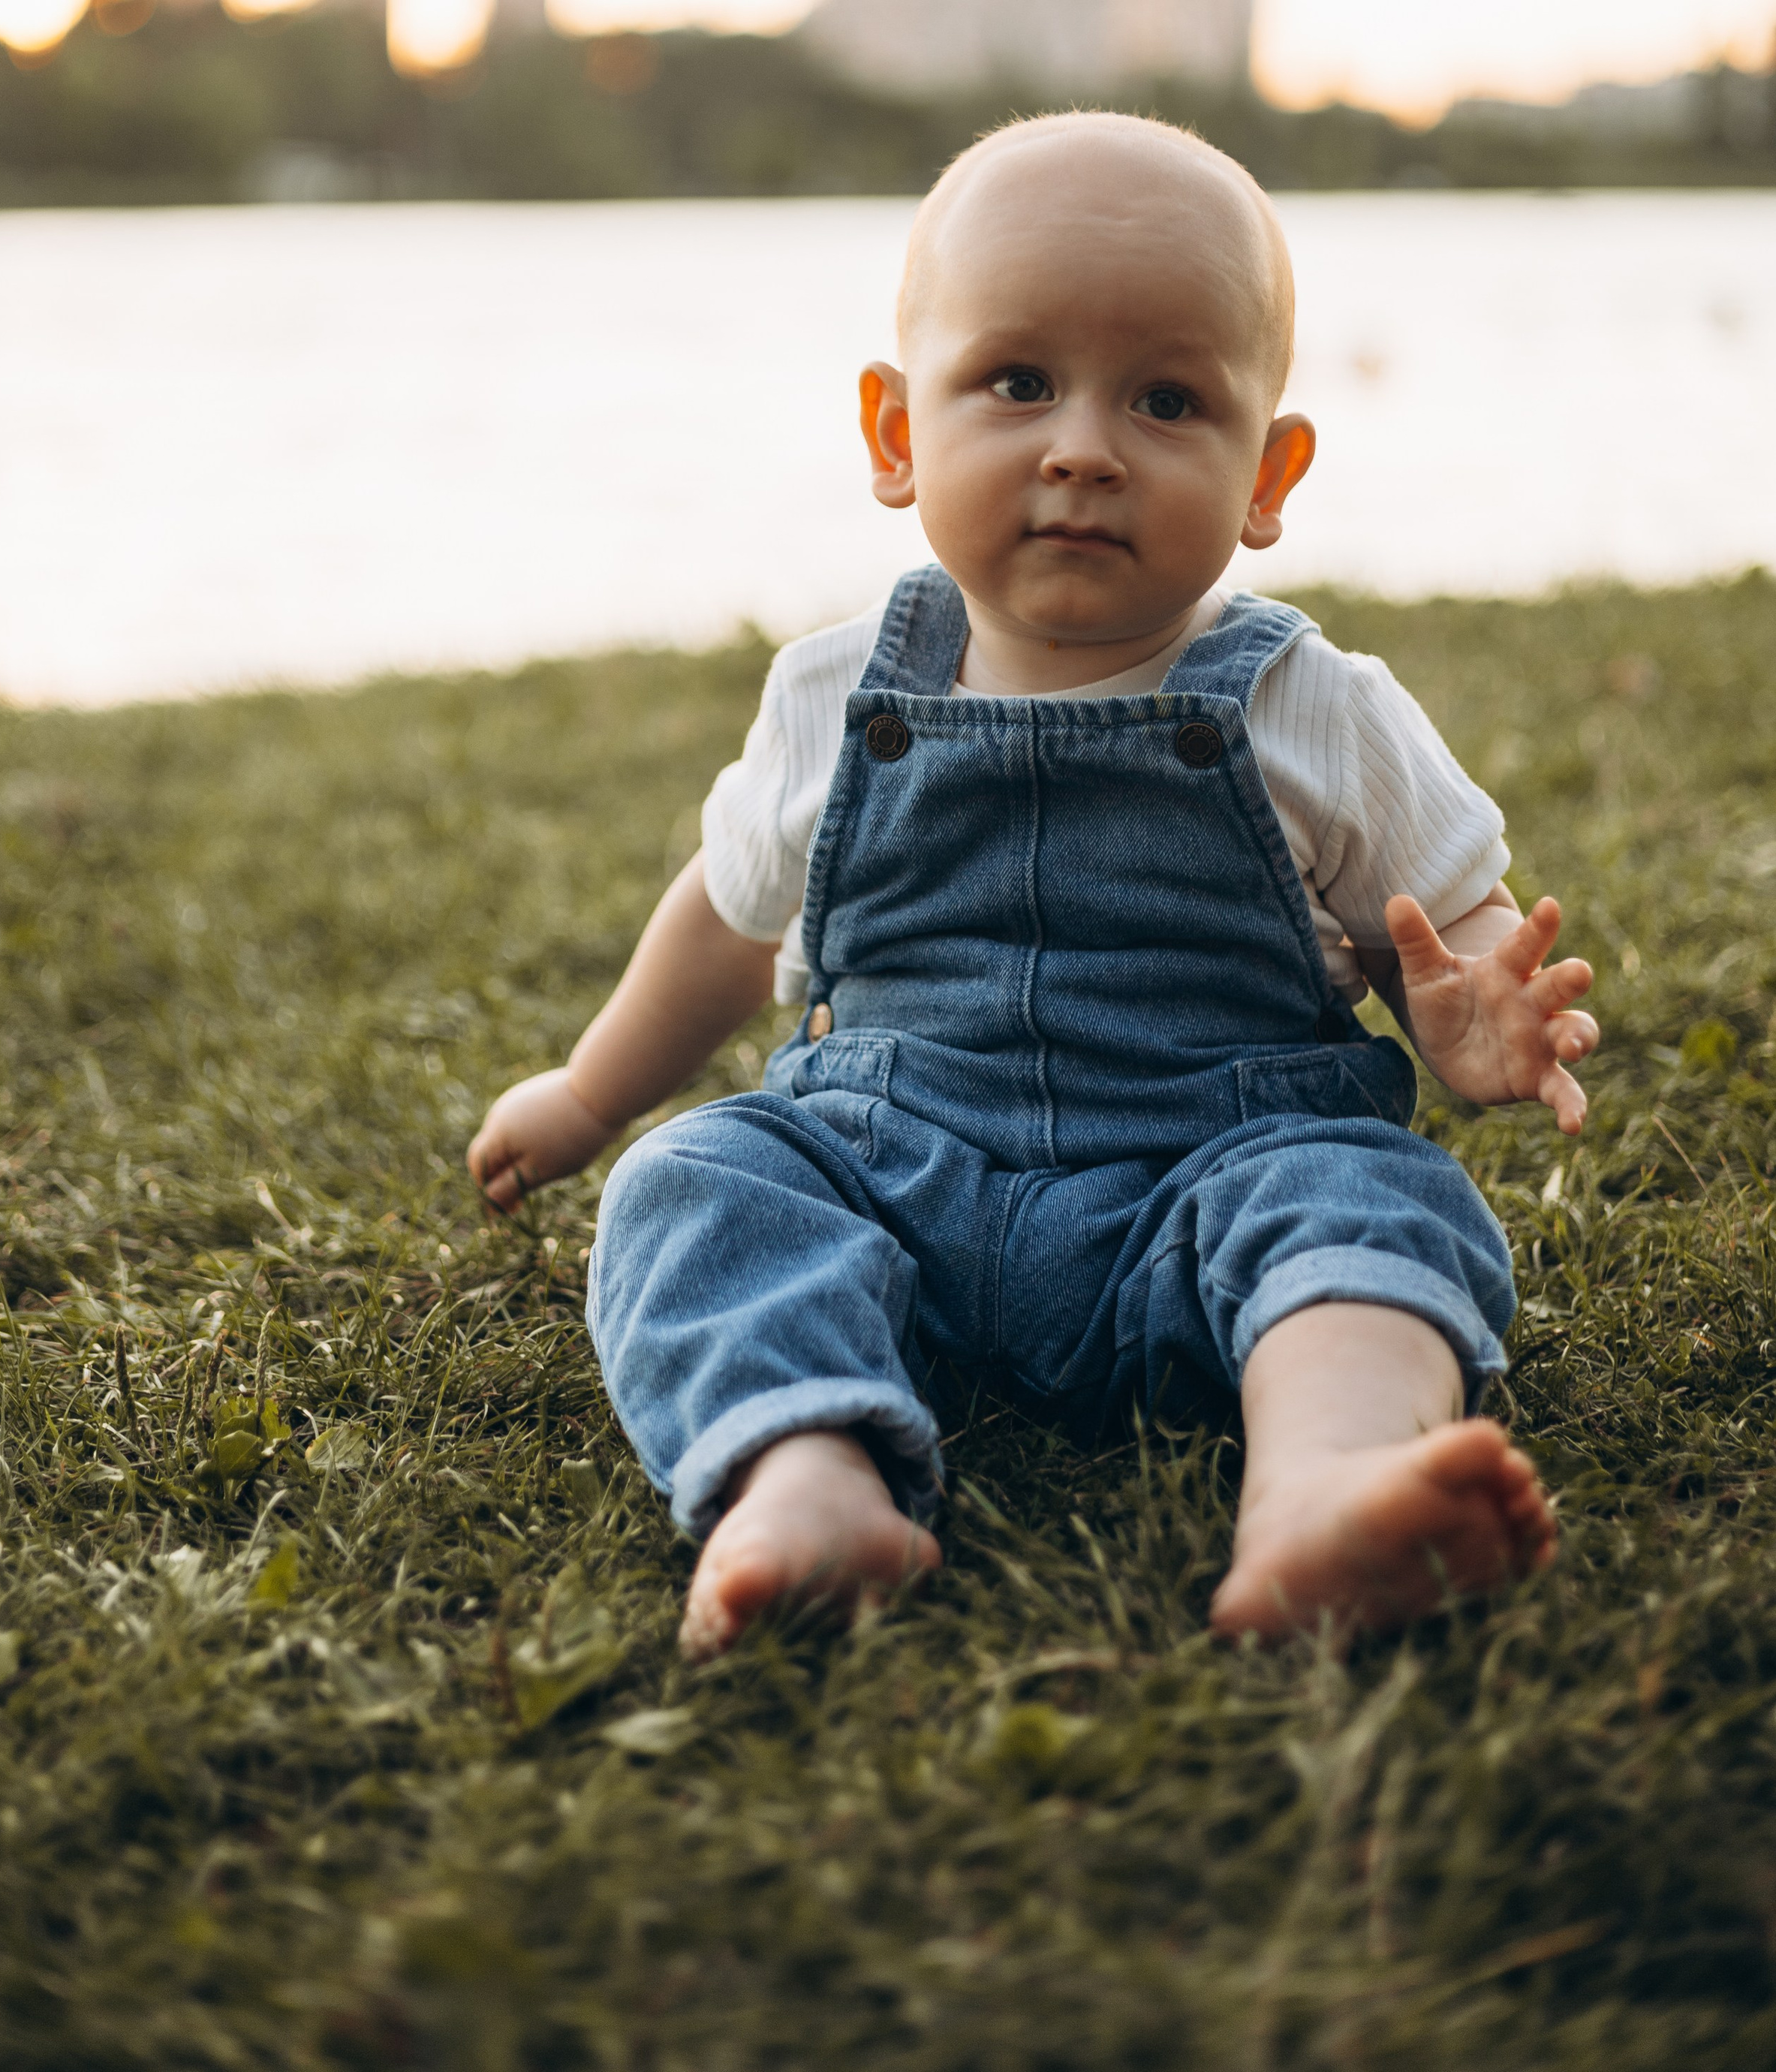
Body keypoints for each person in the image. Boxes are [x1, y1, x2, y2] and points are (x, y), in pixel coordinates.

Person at [466, 113, 1597, 1658]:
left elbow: (1446, 926)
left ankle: (1325, 1487)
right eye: (1016, 383)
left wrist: (1467, 1012)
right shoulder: (832, 695)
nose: (1082, 447)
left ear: (1267, 474)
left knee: (1373, 1202)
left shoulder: (1312, 705)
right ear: (893, 432)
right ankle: (805, 1476)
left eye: (1165, 400)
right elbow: (729, 922)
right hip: (886, 1185)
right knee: (693, 1187)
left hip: (1208, 1185)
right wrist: (592, 1096)